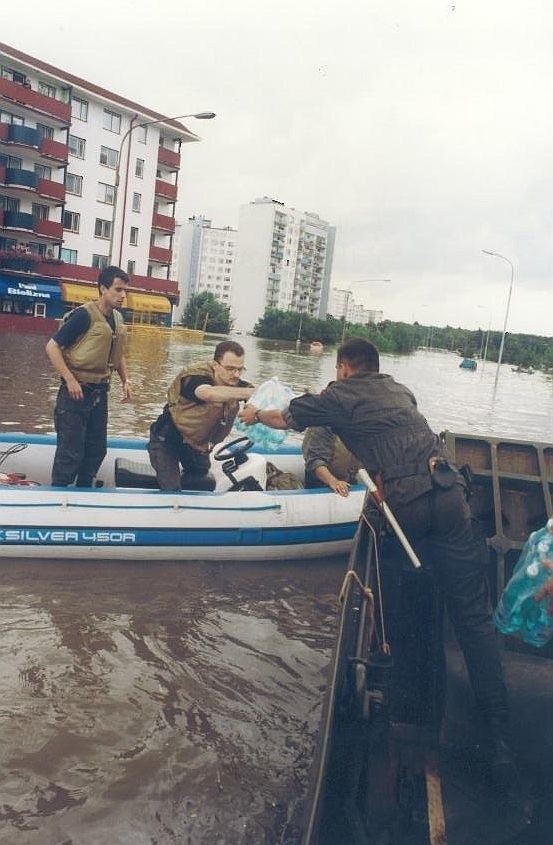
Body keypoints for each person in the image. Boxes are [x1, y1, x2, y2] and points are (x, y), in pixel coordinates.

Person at [239, 337, 516, 785]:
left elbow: (282, 416)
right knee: (474, 619)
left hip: (408, 509)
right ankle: (500, 735)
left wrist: (253, 414)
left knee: (405, 600)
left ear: (345, 367)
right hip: (450, 496)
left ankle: (403, 713)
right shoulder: (400, 390)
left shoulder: (339, 394)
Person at [46, 266, 131, 487]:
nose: (123, 295)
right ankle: (59, 497)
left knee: (96, 449)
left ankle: (84, 493)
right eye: (118, 289)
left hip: (100, 392)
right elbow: (52, 347)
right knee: (70, 452)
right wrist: (70, 379)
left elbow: (117, 353)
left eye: (125, 291)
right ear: (103, 288)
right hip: (75, 392)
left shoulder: (118, 318)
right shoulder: (83, 315)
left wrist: (125, 380)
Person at [147, 340, 255, 490]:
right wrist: (248, 393)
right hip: (166, 441)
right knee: (172, 489)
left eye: (240, 369)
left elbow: (257, 399)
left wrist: (254, 408)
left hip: (196, 446)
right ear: (215, 365)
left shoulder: (239, 385)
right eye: (230, 369)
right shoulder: (194, 377)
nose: (236, 374)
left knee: (203, 481)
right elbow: (207, 393)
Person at [302, 425, 361, 496]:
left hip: (349, 482)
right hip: (319, 486)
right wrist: (333, 482)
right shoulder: (321, 427)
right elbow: (315, 462)